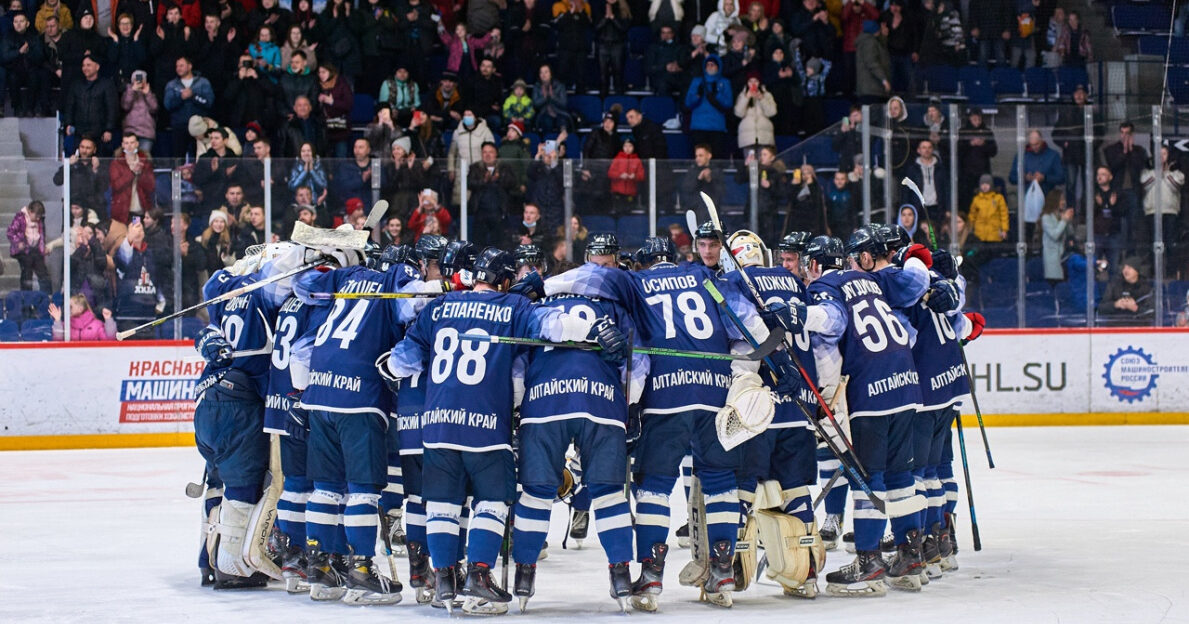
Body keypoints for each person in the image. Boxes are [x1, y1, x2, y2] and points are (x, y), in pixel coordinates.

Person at [378, 247, 623, 615]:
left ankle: (445, 579)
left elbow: (402, 362)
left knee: (443, 503)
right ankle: (478, 576)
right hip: (484, 427)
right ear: (506, 281)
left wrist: (386, 368)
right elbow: (554, 327)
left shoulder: (440, 306)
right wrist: (597, 329)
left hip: (437, 424)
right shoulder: (513, 307)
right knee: (491, 501)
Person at [509, 236, 641, 610]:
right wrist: (629, 407)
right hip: (600, 400)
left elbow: (518, 363)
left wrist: (516, 408)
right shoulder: (616, 301)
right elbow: (636, 361)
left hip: (544, 402)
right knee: (611, 494)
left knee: (535, 493)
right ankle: (620, 575)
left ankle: (524, 575)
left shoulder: (534, 306)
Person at [62, 54, 119, 154]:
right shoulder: (76, 84)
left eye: (88, 65)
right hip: (79, 132)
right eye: (83, 65)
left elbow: (112, 108)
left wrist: (108, 129)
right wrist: (68, 123)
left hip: (100, 133)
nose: (85, 68)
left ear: (97, 67)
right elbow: (70, 106)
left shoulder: (107, 84)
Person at [163, 56, 214, 158]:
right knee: (178, 158)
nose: (178, 68)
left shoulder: (203, 82)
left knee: (200, 157)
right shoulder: (171, 85)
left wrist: (193, 96)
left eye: (181, 65)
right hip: (179, 126)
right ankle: (176, 175)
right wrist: (181, 97)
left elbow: (209, 103)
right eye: (177, 66)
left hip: (200, 127)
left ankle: (199, 174)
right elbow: (167, 105)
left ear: (190, 66)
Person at [469, 142, 518, 248]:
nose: (487, 155)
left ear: (496, 154)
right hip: (480, 212)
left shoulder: (504, 167)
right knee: (478, 244)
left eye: (490, 152)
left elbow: (512, 183)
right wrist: (484, 180)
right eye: (485, 152)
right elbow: (470, 184)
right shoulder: (475, 167)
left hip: (499, 212)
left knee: (499, 243)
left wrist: (499, 179)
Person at [684, 55, 732, 158]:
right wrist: (698, 96)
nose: (710, 67)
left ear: (718, 67)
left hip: (717, 126)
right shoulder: (697, 81)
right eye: (708, 65)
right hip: (699, 126)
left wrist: (717, 95)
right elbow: (688, 102)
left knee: (716, 160)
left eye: (713, 65)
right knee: (699, 158)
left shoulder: (724, 82)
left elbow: (728, 103)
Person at [3, 11, 48, 117]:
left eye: (21, 21)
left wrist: (28, 53)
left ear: (27, 23)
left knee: (35, 76)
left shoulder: (34, 37)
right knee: (12, 78)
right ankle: (17, 108)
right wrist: (19, 52)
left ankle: (30, 108)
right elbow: (4, 57)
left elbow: (40, 57)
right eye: (15, 22)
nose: (18, 24)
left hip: (31, 69)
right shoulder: (7, 37)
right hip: (14, 69)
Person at [1140, 145, 1184, 251]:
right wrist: (1157, 171)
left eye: (1164, 154)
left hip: (1170, 212)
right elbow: (1145, 185)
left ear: (1168, 156)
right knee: (1153, 245)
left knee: (1170, 245)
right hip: (1152, 212)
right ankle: (1154, 267)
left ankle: (1171, 268)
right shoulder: (1146, 173)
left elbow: (1175, 187)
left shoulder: (1177, 174)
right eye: (1158, 154)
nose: (1161, 157)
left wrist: (1166, 172)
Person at [109, 132, 155, 224]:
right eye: (126, 143)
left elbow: (151, 186)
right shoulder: (117, 163)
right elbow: (116, 186)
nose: (129, 146)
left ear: (137, 144)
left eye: (132, 142)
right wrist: (132, 172)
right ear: (122, 145)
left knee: (137, 235)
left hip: (140, 209)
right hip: (123, 210)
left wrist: (141, 173)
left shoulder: (145, 161)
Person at [7, 200, 51, 292]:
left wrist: (43, 249)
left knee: (43, 273)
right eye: (36, 215)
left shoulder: (40, 221)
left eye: (40, 216)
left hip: (36, 249)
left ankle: (46, 296)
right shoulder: (20, 218)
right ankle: (27, 298)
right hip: (24, 251)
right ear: (30, 211)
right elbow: (10, 232)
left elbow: (42, 235)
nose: (38, 218)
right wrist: (18, 242)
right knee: (27, 273)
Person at [903, 139, 948, 224]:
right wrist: (906, 207)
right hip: (918, 207)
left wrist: (948, 209)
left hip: (937, 207)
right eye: (924, 147)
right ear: (918, 150)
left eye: (929, 147)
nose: (926, 150)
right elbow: (906, 190)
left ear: (932, 150)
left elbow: (946, 189)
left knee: (936, 233)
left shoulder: (940, 168)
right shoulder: (912, 169)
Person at [1096, 257, 1153, 322]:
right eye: (1124, 268)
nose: (1125, 271)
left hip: (1139, 328)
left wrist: (1135, 308)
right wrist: (1115, 304)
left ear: (1137, 271)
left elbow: (1153, 314)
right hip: (1116, 327)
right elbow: (1100, 308)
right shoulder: (1114, 285)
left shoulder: (1146, 288)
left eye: (1129, 268)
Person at [315, 63, 353, 159]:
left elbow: (348, 105)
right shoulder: (317, 86)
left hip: (340, 130)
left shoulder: (342, 85)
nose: (321, 75)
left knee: (340, 157)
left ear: (331, 72)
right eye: (319, 72)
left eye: (324, 72)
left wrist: (332, 102)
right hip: (324, 129)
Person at [733, 72, 776, 151]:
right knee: (752, 163)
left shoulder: (767, 95)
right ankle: (753, 164)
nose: (753, 84)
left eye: (756, 81)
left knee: (764, 162)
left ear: (759, 82)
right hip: (748, 139)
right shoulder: (742, 95)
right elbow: (739, 113)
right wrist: (746, 98)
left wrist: (761, 98)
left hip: (764, 138)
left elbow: (772, 112)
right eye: (750, 81)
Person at [595, 0, 629, 96]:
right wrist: (606, 18)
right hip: (602, 45)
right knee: (602, 76)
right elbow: (596, 27)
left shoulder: (623, 7)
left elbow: (624, 28)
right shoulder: (600, 7)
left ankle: (619, 99)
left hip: (617, 45)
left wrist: (613, 18)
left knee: (618, 74)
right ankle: (602, 99)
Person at [644, 24, 687, 98]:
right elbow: (648, 69)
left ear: (673, 34)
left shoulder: (680, 48)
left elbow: (685, 64)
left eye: (668, 33)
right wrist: (665, 67)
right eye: (663, 33)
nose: (666, 35)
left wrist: (678, 68)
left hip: (677, 76)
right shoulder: (653, 48)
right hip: (660, 77)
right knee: (663, 85)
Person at [1040, 190, 1072, 286]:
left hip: (1064, 256)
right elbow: (1054, 235)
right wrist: (1064, 221)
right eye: (1061, 199)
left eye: (1064, 199)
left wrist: (1068, 221)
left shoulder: (1061, 216)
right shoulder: (1046, 218)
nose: (1064, 202)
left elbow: (1070, 233)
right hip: (1052, 258)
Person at [854, 20, 890, 103]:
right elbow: (872, 63)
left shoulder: (870, 41)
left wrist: (884, 36)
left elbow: (880, 51)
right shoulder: (869, 42)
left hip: (871, 89)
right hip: (872, 90)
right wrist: (884, 80)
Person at [681, 144, 724, 215]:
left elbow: (721, 192)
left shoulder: (716, 171)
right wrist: (699, 179)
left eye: (701, 155)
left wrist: (710, 180)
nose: (697, 158)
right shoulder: (692, 171)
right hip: (695, 209)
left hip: (713, 210)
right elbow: (686, 189)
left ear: (709, 156)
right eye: (696, 156)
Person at [287, 142, 329, 214]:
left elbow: (323, 185)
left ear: (313, 152)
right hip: (299, 203)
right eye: (303, 151)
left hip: (316, 202)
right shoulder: (296, 166)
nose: (306, 153)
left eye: (309, 151)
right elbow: (292, 186)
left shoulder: (318, 165)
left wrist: (312, 171)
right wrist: (304, 172)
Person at [968, 174, 1009, 244]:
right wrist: (969, 228)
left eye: (987, 184)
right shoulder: (976, 199)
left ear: (991, 185)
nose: (984, 186)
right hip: (980, 233)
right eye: (982, 184)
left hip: (994, 232)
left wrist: (1004, 230)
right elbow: (972, 215)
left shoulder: (998, 198)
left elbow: (1004, 215)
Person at [608, 137, 644, 215]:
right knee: (617, 213)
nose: (627, 148)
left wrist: (634, 176)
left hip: (631, 193)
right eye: (625, 146)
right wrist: (620, 175)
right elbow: (610, 173)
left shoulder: (637, 160)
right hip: (617, 192)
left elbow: (642, 175)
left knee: (628, 214)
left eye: (630, 146)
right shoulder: (617, 158)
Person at [531, 64, 571, 134]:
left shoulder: (560, 86)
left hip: (559, 112)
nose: (544, 75)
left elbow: (564, 104)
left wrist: (553, 97)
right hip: (544, 113)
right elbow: (535, 104)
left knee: (563, 123)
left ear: (551, 74)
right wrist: (545, 98)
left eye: (546, 72)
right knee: (546, 122)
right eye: (541, 72)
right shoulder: (537, 87)